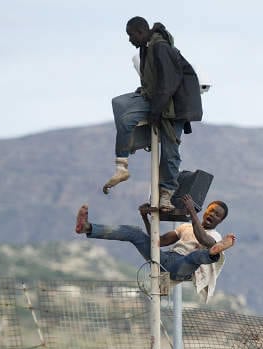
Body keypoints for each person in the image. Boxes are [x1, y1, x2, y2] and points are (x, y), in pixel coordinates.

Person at [103, 17, 202, 205]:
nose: (129, 40)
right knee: (123, 112)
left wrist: (155, 111)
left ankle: (166, 194)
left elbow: (169, 82)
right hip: (157, 100)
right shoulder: (146, 48)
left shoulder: (161, 47)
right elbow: (154, 81)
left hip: (174, 107)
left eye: (130, 35)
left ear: (140, 31)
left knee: (170, 151)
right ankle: (121, 167)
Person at [75, 196, 234, 300]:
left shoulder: (216, 235)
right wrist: (144, 217)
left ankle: (214, 253)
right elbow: (158, 241)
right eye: (211, 210)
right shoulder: (185, 227)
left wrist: (192, 211)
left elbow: (202, 237)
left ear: (220, 221)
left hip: (183, 267)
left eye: (217, 215)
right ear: (206, 211)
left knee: (199, 255)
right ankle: (88, 228)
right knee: (134, 233)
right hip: (166, 259)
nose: (213, 215)